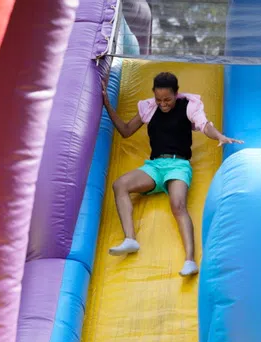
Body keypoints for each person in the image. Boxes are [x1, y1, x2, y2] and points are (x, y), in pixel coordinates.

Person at [102, 71, 242, 277]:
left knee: (178, 205)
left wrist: (219, 136)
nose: (163, 103)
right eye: (159, 99)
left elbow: (205, 126)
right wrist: (107, 104)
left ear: (176, 94)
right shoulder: (150, 108)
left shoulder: (188, 106)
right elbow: (125, 130)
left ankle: (190, 261)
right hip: (155, 166)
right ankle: (130, 239)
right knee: (119, 185)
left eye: (167, 99)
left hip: (178, 165)